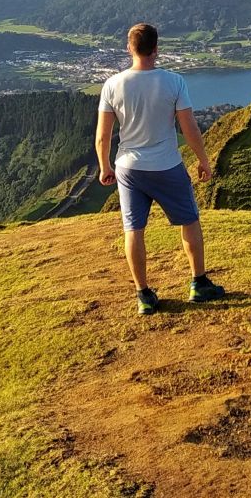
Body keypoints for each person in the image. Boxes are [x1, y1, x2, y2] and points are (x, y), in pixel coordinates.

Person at [96, 22, 225, 314]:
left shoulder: (112, 85)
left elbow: (103, 135)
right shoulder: (174, 82)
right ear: (156, 49)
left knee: (133, 229)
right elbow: (189, 127)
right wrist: (202, 160)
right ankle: (199, 283)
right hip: (167, 164)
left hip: (128, 168)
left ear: (129, 48)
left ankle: (143, 295)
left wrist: (104, 166)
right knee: (189, 221)